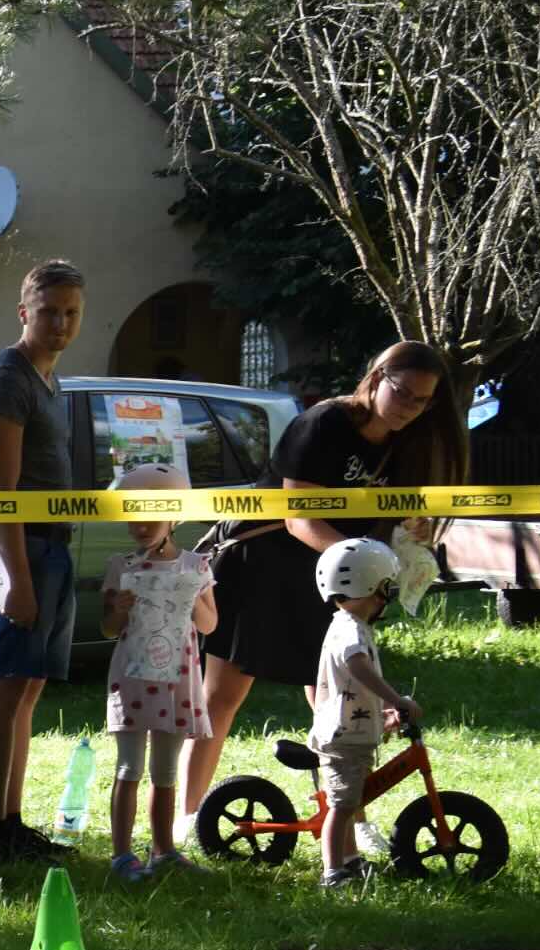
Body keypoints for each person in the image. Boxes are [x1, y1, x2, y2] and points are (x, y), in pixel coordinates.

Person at [180, 340, 468, 851]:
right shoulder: (322, 423)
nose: (409, 407)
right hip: (264, 564)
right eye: (402, 392)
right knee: (221, 697)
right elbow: (299, 517)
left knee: (343, 706)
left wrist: (412, 526)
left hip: (337, 580)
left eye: (422, 400)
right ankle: (186, 817)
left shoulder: (407, 442)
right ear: (376, 378)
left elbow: (391, 511)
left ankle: (350, 820)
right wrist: (361, 561)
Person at [0, 259, 85, 863]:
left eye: (71, 313)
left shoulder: (48, 380)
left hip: (48, 545)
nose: (60, 323)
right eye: (49, 312)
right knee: (2, 684)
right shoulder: (5, 381)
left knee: (26, 688)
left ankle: (9, 822)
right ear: (24, 313)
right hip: (8, 548)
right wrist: (16, 579)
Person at [97, 464, 217, 880]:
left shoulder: (196, 566)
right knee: (129, 766)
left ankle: (163, 849)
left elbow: (209, 625)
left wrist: (192, 595)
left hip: (177, 680)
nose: (140, 527)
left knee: (165, 771)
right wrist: (116, 609)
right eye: (133, 518)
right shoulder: (121, 565)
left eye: (149, 517)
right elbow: (108, 629)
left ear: (173, 516)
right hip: (133, 678)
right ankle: (121, 854)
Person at [308, 538, 420, 889]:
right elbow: (357, 667)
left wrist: (384, 710)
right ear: (372, 586)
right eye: (386, 587)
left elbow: (357, 682)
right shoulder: (349, 630)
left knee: (350, 800)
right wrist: (396, 699)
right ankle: (332, 872)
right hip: (342, 737)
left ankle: (351, 860)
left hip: (351, 733)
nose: (386, 596)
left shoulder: (352, 626)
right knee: (341, 806)